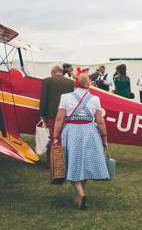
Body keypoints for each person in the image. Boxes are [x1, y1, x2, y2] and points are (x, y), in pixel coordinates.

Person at [52, 71, 109, 209]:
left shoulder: (65, 97)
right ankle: (79, 195)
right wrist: (104, 138)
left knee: (72, 162)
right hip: (90, 131)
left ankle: (80, 193)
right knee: (84, 162)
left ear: (75, 83)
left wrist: (55, 137)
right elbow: (100, 122)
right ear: (88, 84)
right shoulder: (95, 99)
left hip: (72, 131)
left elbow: (59, 119)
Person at [39, 66, 75, 168]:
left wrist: (42, 115)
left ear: (53, 72)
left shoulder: (47, 81)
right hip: (66, 116)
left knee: (53, 138)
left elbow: (43, 99)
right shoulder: (71, 83)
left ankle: (51, 163)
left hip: (52, 115)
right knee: (65, 139)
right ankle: (64, 162)